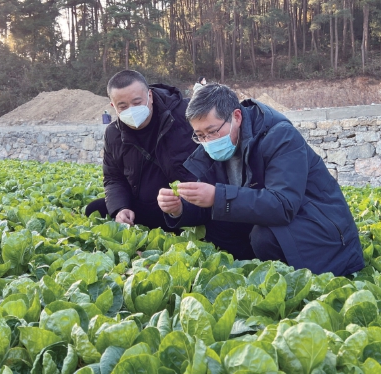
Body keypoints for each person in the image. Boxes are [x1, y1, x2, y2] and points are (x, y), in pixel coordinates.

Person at [157, 83, 365, 276]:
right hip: (279, 220)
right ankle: (250, 276)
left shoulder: (281, 136)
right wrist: (180, 209)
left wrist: (217, 196)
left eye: (212, 132)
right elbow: (217, 204)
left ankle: (296, 283)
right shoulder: (214, 149)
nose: (207, 142)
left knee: (264, 236)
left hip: (320, 226)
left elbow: (283, 205)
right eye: (199, 135)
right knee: (218, 225)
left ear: (236, 117)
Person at [84, 70, 198, 232]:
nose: (131, 110)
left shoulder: (185, 113)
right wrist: (120, 208)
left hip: (185, 203)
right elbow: (113, 178)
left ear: (149, 96)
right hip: (146, 206)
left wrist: (183, 203)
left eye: (137, 102)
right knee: (95, 209)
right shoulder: (113, 133)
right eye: (122, 106)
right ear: (113, 106)